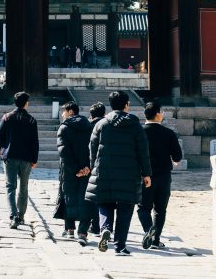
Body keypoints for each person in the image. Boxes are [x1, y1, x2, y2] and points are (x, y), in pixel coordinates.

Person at [85, 90, 152, 255]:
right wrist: (146, 173)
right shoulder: (135, 125)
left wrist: (93, 168)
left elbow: (92, 149)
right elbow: (143, 151)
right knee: (125, 208)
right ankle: (120, 246)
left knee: (104, 203)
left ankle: (105, 228)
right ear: (127, 104)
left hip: (104, 171)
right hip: (129, 174)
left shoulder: (101, 124)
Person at [137, 101, 182, 250]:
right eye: (161, 112)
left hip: (144, 176)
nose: (162, 114)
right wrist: (175, 161)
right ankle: (155, 240)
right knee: (160, 209)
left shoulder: (139, 132)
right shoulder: (168, 133)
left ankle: (148, 230)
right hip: (163, 176)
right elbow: (177, 156)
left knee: (143, 208)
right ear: (157, 115)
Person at [0, 91, 40, 229]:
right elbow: (35, 142)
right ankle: (21, 216)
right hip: (26, 158)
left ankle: (13, 215)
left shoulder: (7, 117)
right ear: (26, 103)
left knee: (10, 186)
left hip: (10, 156)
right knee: (23, 187)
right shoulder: (31, 120)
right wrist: (34, 159)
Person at [56, 102, 93, 245]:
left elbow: (64, 151)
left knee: (68, 196)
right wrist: (87, 167)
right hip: (87, 170)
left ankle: (70, 229)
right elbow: (94, 148)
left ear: (70, 111)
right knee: (86, 199)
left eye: (64, 111)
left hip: (69, 170)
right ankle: (83, 232)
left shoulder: (64, 127)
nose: (62, 114)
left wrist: (76, 169)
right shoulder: (89, 126)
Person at [87, 101, 108, 235]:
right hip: (105, 165)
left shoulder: (87, 126)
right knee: (103, 198)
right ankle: (102, 225)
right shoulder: (108, 126)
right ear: (104, 113)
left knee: (91, 197)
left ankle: (93, 225)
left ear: (91, 115)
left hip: (89, 165)